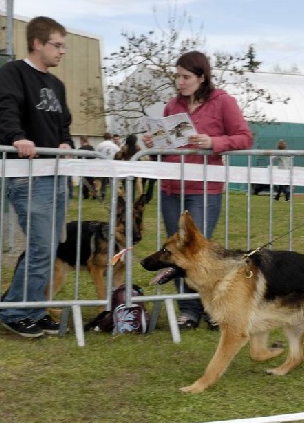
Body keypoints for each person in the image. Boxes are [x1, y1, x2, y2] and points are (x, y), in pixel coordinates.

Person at [142, 50, 253, 330]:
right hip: (171, 188)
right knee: (177, 254)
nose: (180, 82)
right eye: (177, 76)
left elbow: (244, 137)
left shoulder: (223, 102)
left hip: (204, 189)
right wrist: (153, 142)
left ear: (202, 77)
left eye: (186, 77)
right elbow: (167, 145)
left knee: (198, 253)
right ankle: (188, 311)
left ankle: (214, 309)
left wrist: (212, 142)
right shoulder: (171, 107)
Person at [0, 16, 73, 338]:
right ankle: (14, 311)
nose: (62, 52)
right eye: (57, 45)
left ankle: (32, 309)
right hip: (28, 176)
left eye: (64, 46)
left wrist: (65, 143)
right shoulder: (12, 73)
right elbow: (4, 109)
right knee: (41, 246)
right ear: (37, 43)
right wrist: (16, 136)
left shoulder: (57, 85)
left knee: (48, 248)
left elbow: (63, 124)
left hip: (56, 176)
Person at [94, 132, 119, 200]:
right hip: (111, 165)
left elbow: (96, 154)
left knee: (101, 180)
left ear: (104, 138)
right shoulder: (114, 146)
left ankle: (100, 192)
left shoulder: (100, 145)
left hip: (102, 164)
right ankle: (113, 194)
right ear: (110, 138)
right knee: (110, 180)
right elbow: (118, 153)